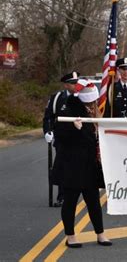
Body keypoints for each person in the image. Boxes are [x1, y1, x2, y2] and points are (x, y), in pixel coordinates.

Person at [52, 80, 111, 248]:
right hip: (72, 164)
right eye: (89, 103)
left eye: (93, 102)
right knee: (70, 201)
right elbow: (60, 135)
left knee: (93, 201)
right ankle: (70, 236)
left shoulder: (92, 111)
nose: (92, 105)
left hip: (89, 164)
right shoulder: (69, 108)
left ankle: (100, 233)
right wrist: (74, 129)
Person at [43, 71, 80, 207]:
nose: (76, 85)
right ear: (65, 85)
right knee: (64, 168)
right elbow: (48, 117)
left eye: (77, 82)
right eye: (72, 83)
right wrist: (48, 131)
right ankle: (63, 196)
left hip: (80, 139)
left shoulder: (83, 96)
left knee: (79, 168)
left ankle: (78, 195)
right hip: (62, 139)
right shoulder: (57, 98)